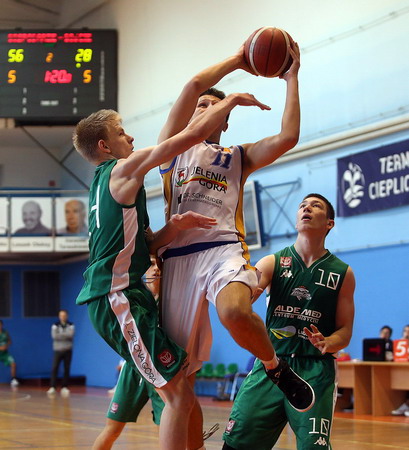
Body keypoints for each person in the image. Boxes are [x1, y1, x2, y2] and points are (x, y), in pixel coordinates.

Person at [73, 95, 268, 450]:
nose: (131, 137)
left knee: (182, 391)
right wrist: (231, 98)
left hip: (126, 298)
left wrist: (174, 227)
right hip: (117, 298)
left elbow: (147, 244)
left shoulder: (110, 187)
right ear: (104, 146)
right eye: (121, 132)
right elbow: (188, 136)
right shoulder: (122, 169)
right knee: (176, 397)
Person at [158, 39, 314, 449]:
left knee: (234, 311)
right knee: (182, 381)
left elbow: (288, 136)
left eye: (215, 107)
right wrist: (240, 61)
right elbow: (193, 85)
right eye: (201, 106)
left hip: (222, 248)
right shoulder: (170, 151)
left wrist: (291, 78)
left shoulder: (237, 156)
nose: (206, 109)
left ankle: (274, 367)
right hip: (176, 260)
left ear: (226, 122)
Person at [222, 193, 356, 450]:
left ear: (329, 223)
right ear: (296, 221)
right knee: (237, 444)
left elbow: (346, 331)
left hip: (315, 370)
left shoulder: (343, 273)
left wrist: (328, 342)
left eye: (315, 206)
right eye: (302, 205)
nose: (307, 208)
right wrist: (243, 290)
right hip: (272, 364)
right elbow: (247, 295)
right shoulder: (272, 262)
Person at [47, 309, 75, 396]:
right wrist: (65, 335)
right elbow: (54, 336)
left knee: (66, 368)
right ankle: (52, 387)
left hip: (68, 350)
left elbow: (71, 335)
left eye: (64, 315)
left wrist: (61, 335)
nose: (63, 317)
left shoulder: (71, 325)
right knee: (55, 368)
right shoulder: (55, 325)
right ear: (59, 316)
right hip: (57, 350)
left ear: (67, 316)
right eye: (61, 315)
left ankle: (64, 387)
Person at [391, 324, 409, 416]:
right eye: (405, 331)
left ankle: (406, 405)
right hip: (402, 369)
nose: (407, 333)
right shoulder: (399, 343)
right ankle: (405, 406)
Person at [0, 320, 19, 387]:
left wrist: (6, 345)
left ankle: (13, 379)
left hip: (5, 354)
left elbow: (10, 341)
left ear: (2, 325)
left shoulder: (5, 332)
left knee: (13, 364)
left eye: (0, 325)